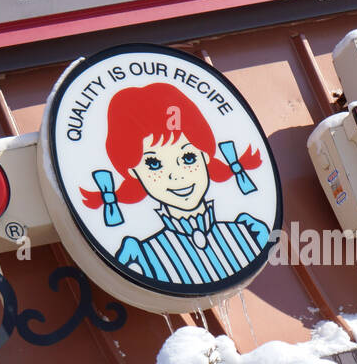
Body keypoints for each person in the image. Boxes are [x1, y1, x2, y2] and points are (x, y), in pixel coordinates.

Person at [80, 82, 269, 285]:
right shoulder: (142, 257)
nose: (175, 176)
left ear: (205, 155)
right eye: (153, 164)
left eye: (188, 157)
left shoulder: (248, 232)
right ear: (133, 172)